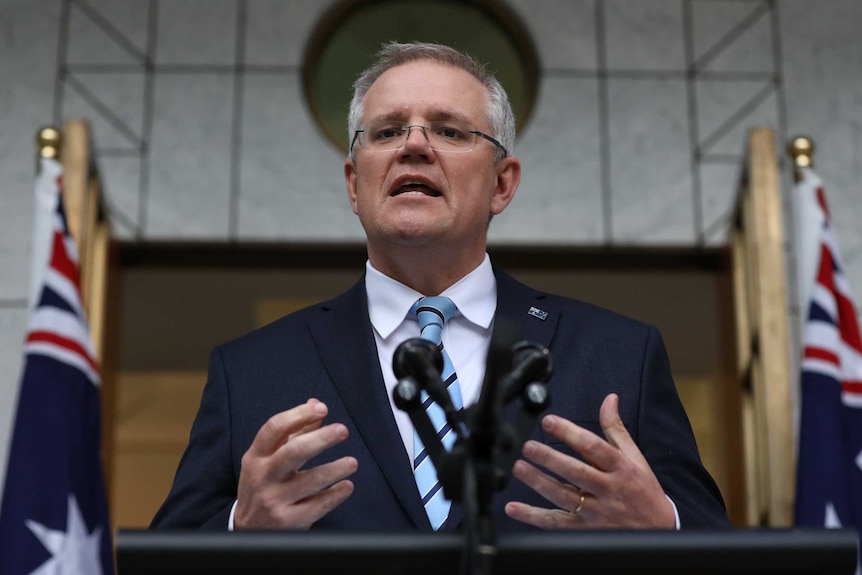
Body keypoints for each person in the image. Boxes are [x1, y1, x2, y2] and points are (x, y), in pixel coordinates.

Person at [151, 42, 730, 532]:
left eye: (450, 130)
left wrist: (663, 527)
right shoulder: (250, 372)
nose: (414, 145)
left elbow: (724, 554)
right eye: (387, 131)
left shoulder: (619, 356)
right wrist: (239, 528)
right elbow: (162, 562)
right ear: (355, 185)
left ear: (502, 185)